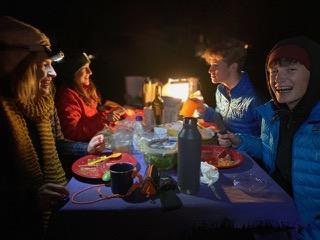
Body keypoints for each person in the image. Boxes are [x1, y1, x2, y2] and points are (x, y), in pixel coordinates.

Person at [0, 16, 106, 239]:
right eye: (45, 65)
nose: (53, 74)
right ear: (20, 68)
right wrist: (29, 199)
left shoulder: (42, 103)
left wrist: (84, 149)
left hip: (55, 210)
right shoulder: (5, 112)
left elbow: (57, 144)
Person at [218, 36, 320, 239]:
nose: (278, 79)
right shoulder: (274, 116)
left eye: (291, 69)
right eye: (273, 71)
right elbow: (272, 151)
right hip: (273, 213)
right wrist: (242, 141)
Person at [195, 37, 263, 136]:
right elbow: (221, 122)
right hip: (226, 148)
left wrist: (239, 143)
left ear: (233, 67)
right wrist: (204, 110)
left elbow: (268, 142)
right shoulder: (221, 90)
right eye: (210, 65)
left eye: (215, 65)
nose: (210, 70)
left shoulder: (254, 99)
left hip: (246, 151)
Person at [55, 51, 125, 142]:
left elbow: (93, 115)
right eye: (84, 68)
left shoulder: (86, 88)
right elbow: (73, 132)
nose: (90, 72)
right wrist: (105, 118)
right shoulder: (67, 96)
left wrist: (115, 113)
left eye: (89, 67)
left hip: (96, 137)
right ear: (72, 72)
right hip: (86, 146)